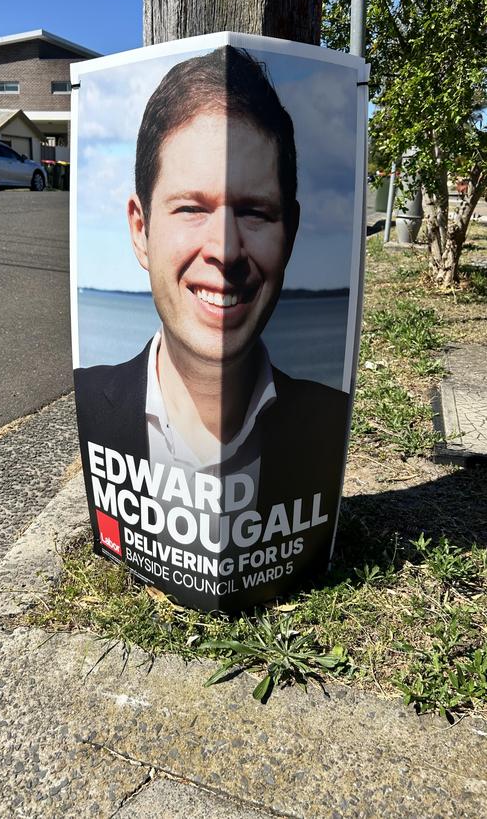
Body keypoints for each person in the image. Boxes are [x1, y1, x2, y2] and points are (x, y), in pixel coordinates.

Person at [74, 46, 349, 606]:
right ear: (140, 229)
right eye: (191, 208)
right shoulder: (91, 402)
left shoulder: (326, 421)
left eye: (254, 211)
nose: (224, 250)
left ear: (290, 232)